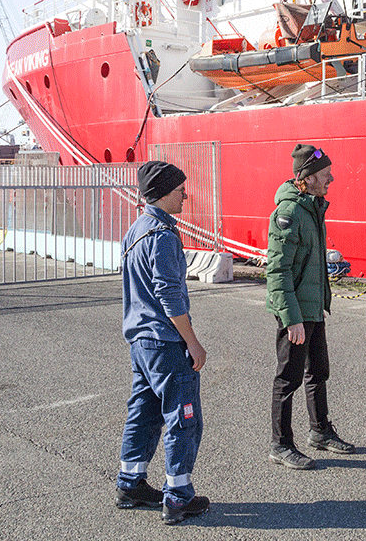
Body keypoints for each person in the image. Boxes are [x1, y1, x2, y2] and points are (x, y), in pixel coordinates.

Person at [115, 161, 210, 525]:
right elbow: (170, 296)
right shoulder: (163, 236)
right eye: (181, 189)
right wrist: (194, 344)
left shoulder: (135, 231)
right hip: (165, 343)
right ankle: (178, 496)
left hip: (139, 341)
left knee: (143, 412)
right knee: (183, 418)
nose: (186, 194)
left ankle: (130, 483)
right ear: (166, 192)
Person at [267, 144, 355, 471]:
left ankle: (319, 431)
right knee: (287, 379)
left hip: (313, 308)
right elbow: (277, 271)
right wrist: (292, 319)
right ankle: (280, 444)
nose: (331, 178)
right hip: (295, 312)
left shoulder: (312, 206)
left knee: (319, 372)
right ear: (307, 177)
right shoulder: (288, 214)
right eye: (325, 174)